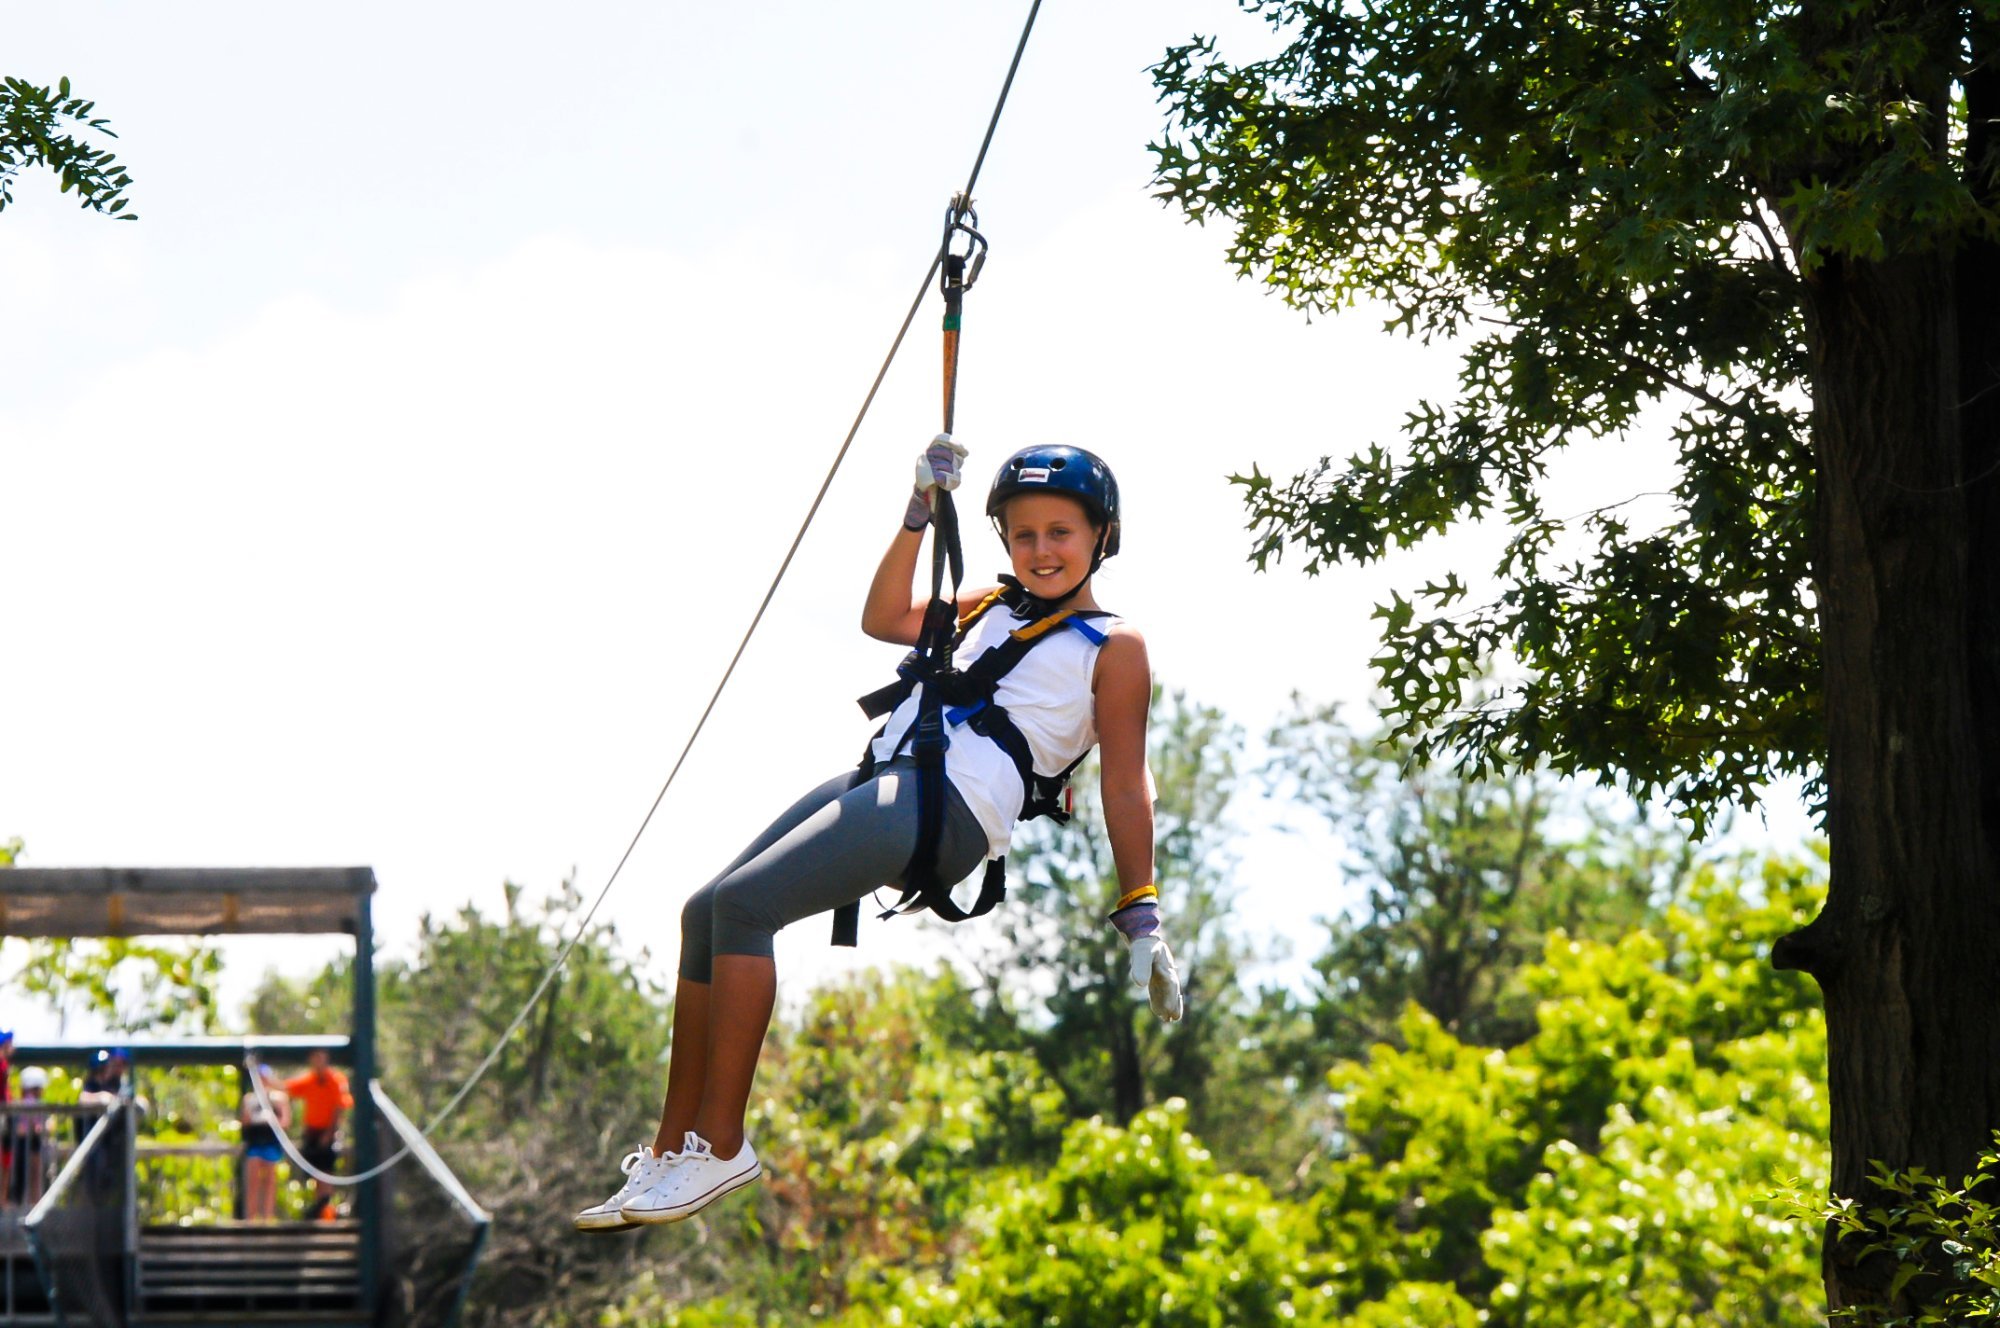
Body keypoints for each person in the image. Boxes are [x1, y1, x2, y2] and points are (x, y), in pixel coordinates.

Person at [575, 439, 1184, 1233]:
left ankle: (721, 1145)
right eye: (1024, 534)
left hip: (952, 804)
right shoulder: (987, 607)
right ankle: (670, 1152)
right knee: (705, 910)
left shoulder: (1115, 645)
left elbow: (1126, 780)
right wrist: (919, 510)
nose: (1040, 551)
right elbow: (883, 618)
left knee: (747, 908)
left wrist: (1141, 909)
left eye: (1060, 533)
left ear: (1102, 536)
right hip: (889, 779)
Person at [284, 1050, 352, 1221]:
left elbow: (339, 1107)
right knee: (314, 1171)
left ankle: (326, 1209)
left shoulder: (336, 1080)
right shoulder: (310, 1080)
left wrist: (330, 1133)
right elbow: (287, 1087)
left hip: (328, 1132)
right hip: (311, 1133)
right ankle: (319, 1209)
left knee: (326, 1170)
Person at [239, 1063, 291, 1222]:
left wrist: (271, 1119)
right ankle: (250, 1218)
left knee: (269, 1180)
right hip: (255, 1141)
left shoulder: (279, 1098)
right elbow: (245, 1121)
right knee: (252, 1179)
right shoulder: (249, 1099)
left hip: (271, 1140)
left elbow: (286, 1120)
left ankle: (267, 1217)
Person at [9, 1066, 51, 1209]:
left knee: (28, 1178)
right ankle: (33, 1206)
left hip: (30, 1143)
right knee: (32, 1177)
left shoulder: (27, 1101)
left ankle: (29, 1205)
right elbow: (34, 1126)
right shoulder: (29, 1102)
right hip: (28, 1143)